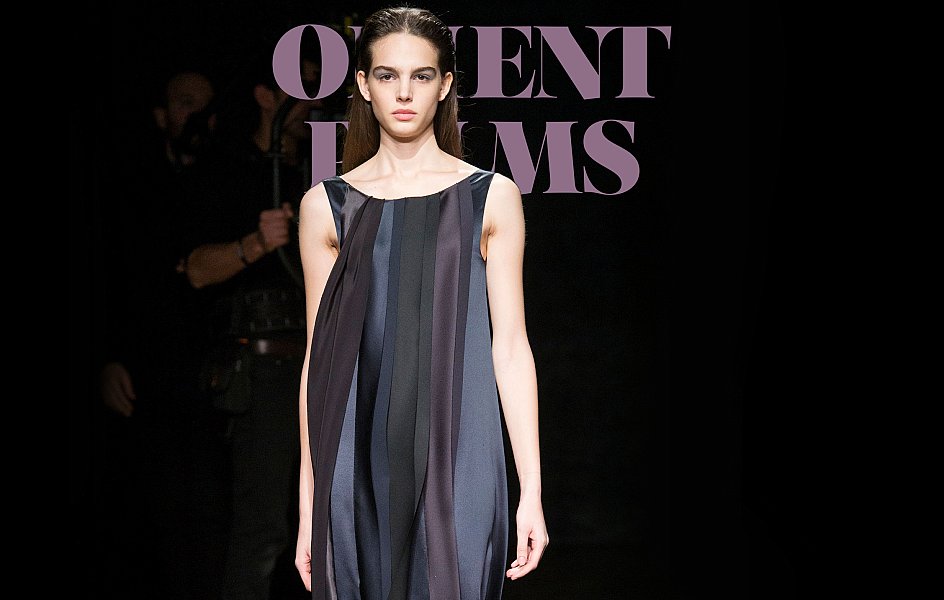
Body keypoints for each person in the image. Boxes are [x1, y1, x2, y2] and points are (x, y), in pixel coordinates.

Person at [294, 7, 549, 599]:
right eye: (387, 75)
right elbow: (317, 362)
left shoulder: (491, 197)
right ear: (363, 84)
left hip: (462, 448)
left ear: (445, 84)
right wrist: (308, 501)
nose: (404, 92)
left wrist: (531, 489)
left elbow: (511, 347)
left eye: (422, 75)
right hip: (354, 450)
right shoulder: (326, 206)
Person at [181, 55, 324, 600]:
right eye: (303, 86)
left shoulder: (325, 173)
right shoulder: (226, 170)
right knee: (263, 531)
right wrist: (258, 243)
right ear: (267, 96)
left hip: (327, 364)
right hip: (264, 369)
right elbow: (195, 269)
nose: (313, 99)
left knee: (332, 526)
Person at [97, 69, 221, 598]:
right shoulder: (133, 189)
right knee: (160, 522)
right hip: (152, 380)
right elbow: (115, 279)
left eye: (206, 107)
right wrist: (110, 358)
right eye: (185, 103)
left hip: (217, 381)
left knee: (215, 523)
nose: (196, 116)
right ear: (160, 114)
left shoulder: (224, 183)